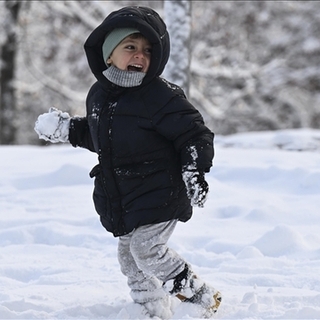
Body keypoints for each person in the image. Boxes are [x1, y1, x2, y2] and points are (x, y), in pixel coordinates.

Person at [34, 6, 221, 319]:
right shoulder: (99, 95)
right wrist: (68, 129)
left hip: (161, 191)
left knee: (146, 250)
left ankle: (201, 297)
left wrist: (193, 170)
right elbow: (103, 138)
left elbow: (193, 133)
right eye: (130, 47)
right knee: (129, 258)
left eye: (148, 50)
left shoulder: (160, 95)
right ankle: (150, 308)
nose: (140, 55)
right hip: (127, 196)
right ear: (109, 53)